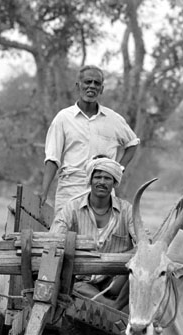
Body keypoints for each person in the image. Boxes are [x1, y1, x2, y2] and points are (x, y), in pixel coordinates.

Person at [40, 65, 140, 215]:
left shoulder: (113, 119)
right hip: (71, 186)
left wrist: (118, 169)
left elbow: (132, 143)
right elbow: (52, 158)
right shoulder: (63, 118)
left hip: (102, 190)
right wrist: (44, 192)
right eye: (87, 82)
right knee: (65, 234)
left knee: (102, 234)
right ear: (78, 85)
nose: (91, 86)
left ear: (101, 89)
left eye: (96, 83)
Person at [49, 156, 135, 309]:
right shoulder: (72, 208)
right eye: (97, 177)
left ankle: (112, 302)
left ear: (115, 182)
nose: (102, 182)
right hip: (83, 280)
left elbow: (144, 242)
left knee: (137, 274)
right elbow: (54, 240)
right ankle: (113, 307)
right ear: (90, 180)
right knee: (75, 287)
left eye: (107, 178)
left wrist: (133, 254)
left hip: (116, 280)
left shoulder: (127, 210)